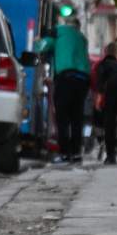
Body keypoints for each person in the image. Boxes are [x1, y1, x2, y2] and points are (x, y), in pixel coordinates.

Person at [36, 17, 91, 164]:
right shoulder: (82, 38)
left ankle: (65, 154)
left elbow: (42, 47)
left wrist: (38, 42)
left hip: (66, 78)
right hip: (83, 80)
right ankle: (76, 153)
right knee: (76, 118)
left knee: (63, 117)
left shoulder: (57, 33)